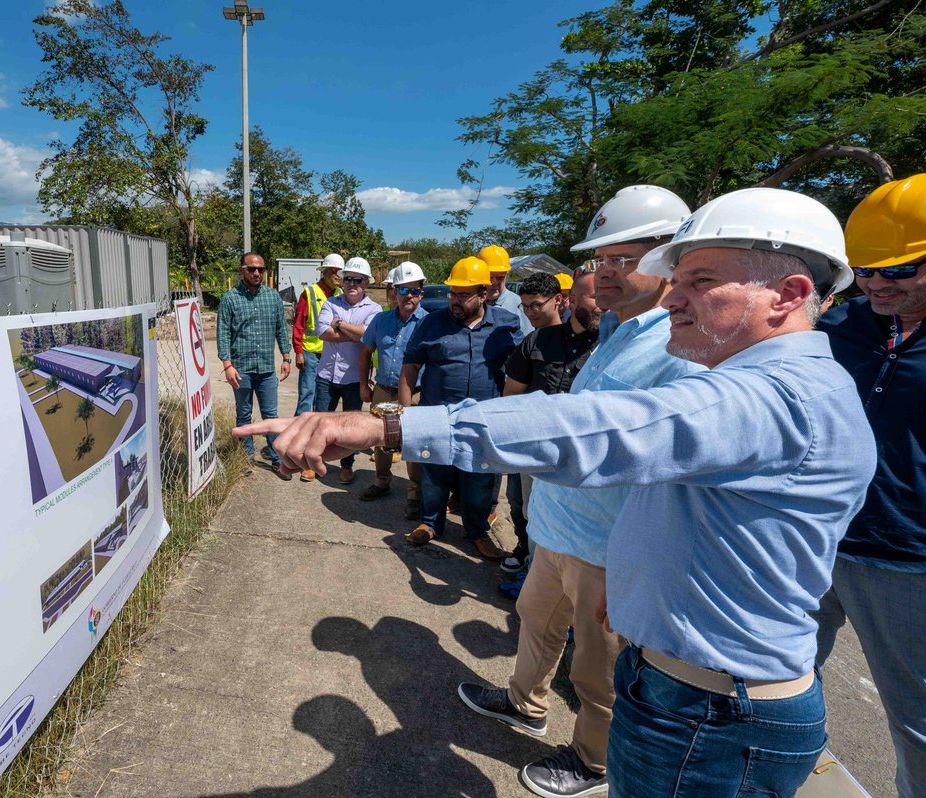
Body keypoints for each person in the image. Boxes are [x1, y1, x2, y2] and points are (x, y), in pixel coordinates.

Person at [237, 187, 873, 798]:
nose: (675, 297)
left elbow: (594, 429)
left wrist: (386, 424)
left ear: (789, 294)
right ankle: (526, 702)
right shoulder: (730, 371)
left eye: (700, 281)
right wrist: (631, 578)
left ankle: (584, 756)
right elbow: (670, 493)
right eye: (674, 278)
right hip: (688, 683)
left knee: (595, 687)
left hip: (712, 712)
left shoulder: (777, 397)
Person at [462, 185, 702, 797]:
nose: (606, 273)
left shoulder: (682, 345)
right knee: (535, 619)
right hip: (561, 528)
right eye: (600, 260)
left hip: (611, 543)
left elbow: (665, 463)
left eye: (625, 258)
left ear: (671, 257)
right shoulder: (623, 328)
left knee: (598, 668)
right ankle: (524, 700)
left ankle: (594, 761)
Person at [814, 173, 926, 798]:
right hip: (814, 535)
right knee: (769, 675)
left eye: (898, 271)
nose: (875, 285)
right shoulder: (844, 326)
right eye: (863, 270)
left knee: (925, 727)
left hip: (915, 562)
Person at [398, 256, 519, 561]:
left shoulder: (505, 324)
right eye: (453, 293)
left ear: (484, 293)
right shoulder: (431, 323)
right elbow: (411, 366)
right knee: (434, 474)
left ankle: (476, 531)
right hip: (436, 415)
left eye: (464, 295)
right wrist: (404, 414)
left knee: (479, 479)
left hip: (483, 418)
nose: (456, 300)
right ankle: (430, 524)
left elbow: (522, 368)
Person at [497, 269, 600, 575]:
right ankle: (530, 561)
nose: (529, 312)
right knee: (523, 505)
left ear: (559, 300)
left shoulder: (608, 346)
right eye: (525, 307)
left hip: (581, 452)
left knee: (571, 518)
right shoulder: (537, 341)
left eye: (535, 306)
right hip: (535, 447)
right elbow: (511, 393)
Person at [358, 261, 428, 515]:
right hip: (383, 390)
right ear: (394, 292)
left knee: (413, 444)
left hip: (417, 394)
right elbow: (366, 352)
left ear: (422, 293)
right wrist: (364, 383)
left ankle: (415, 494)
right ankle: (382, 481)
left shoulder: (429, 323)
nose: (408, 296)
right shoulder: (381, 320)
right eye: (403, 290)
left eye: (414, 290)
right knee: (380, 439)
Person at [217, 252, 292, 478]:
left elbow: (281, 328)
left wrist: (286, 357)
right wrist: (228, 365)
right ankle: (246, 459)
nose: (257, 273)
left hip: (267, 369)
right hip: (241, 369)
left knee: (271, 416)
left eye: (260, 269)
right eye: (252, 269)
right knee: (244, 415)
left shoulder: (272, 297)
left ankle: (278, 460)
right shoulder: (230, 299)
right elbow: (223, 334)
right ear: (242, 270)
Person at [314, 256, 382, 485]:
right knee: (320, 419)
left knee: (350, 427)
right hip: (326, 375)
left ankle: (346, 466)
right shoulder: (331, 303)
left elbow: (368, 336)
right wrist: (356, 334)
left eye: (358, 280)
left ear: (366, 283)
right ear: (342, 281)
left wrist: (339, 324)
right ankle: (315, 461)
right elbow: (322, 333)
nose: (353, 283)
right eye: (349, 279)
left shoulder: (375, 309)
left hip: (354, 378)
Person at [292, 255, 343, 426]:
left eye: (342, 272)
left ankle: (315, 431)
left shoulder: (340, 293)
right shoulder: (310, 293)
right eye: (336, 271)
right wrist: (298, 352)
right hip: (311, 353)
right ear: (326, 272)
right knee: (307, 395)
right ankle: (299, 433)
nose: (339, 276)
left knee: (323, 398)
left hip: (330, 355)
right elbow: (298, 324)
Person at [479, 244, 533, 338]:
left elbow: (528, 341)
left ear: (507, 275)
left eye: (500, 277)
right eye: (489, 277)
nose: (494, 282)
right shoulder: (470, 303)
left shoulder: (519, 305)